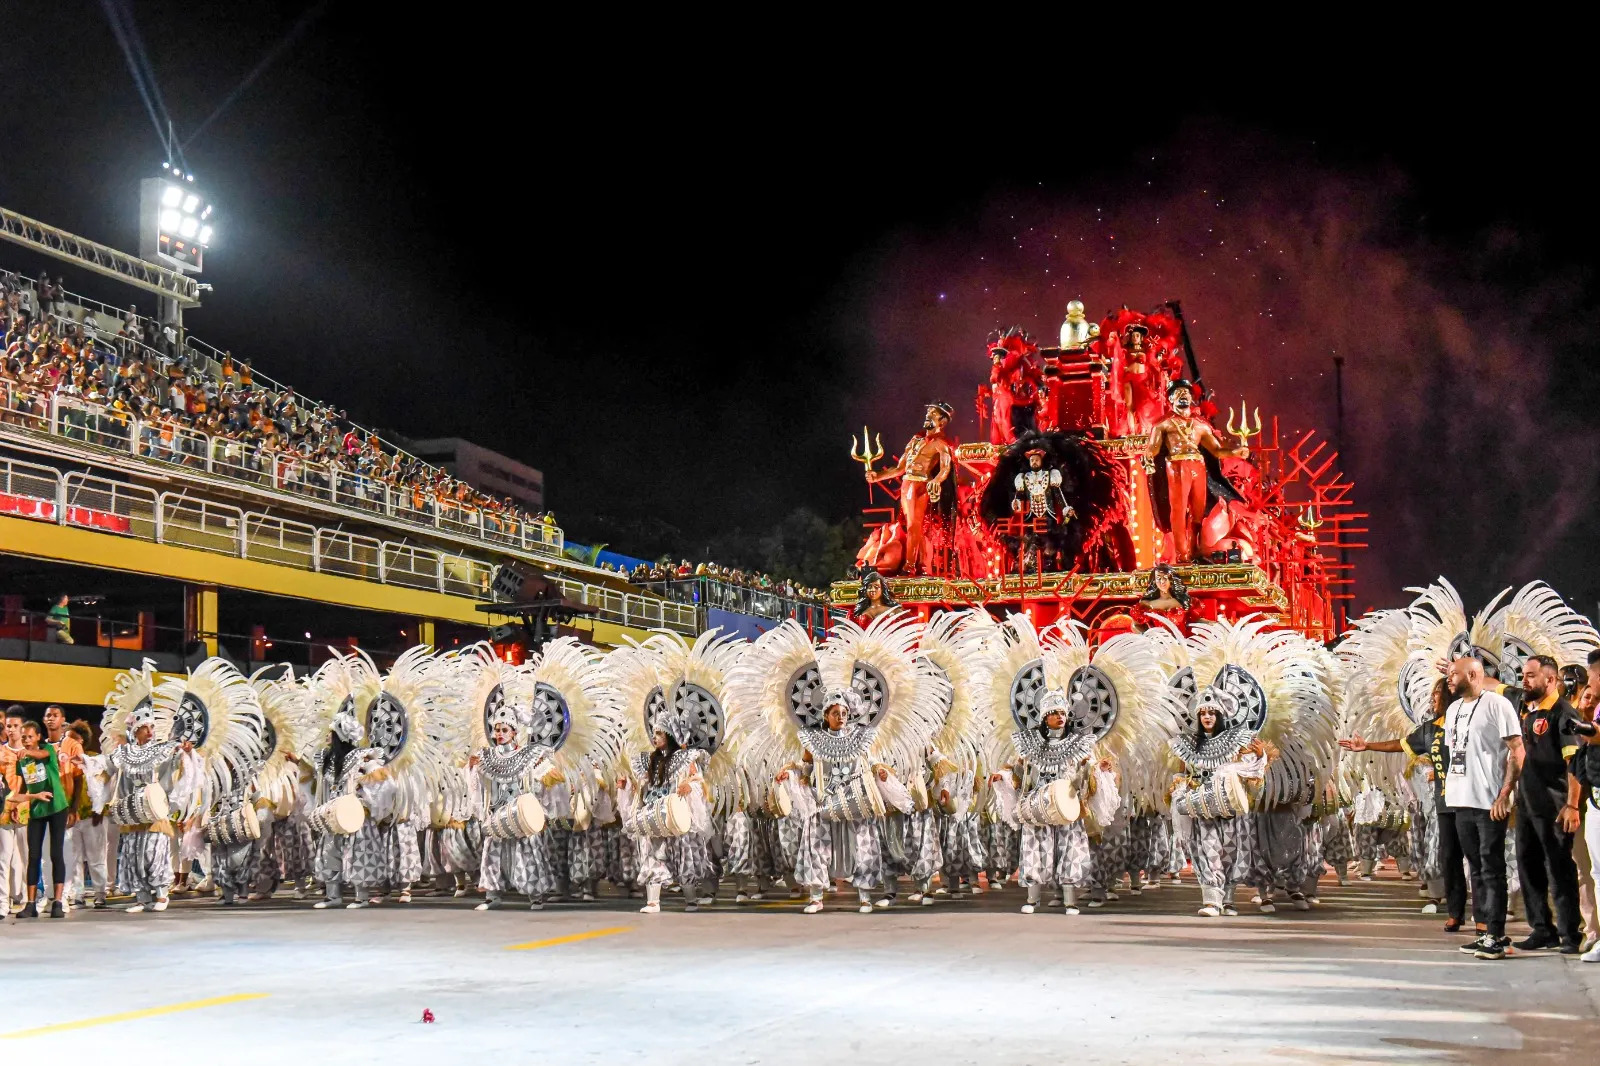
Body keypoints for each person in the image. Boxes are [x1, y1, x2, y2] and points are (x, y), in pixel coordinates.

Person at [1342, 677, 1470, 931]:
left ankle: (1486, 915)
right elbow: (1402, 744)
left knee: (1476, 857)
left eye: (1438, 693)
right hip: (1444, 804)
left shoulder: (1470, 722)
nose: (1433, 698)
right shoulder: (1430, 729)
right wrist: (1367, 745)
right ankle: (1453, 910)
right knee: (1445, 855)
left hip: (1472, 802)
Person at [1442, 656, 1524, 960]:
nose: (1449, 679)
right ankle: (1487, 932)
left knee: (1492, 868)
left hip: (1489, 802)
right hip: (1461, 800)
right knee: (1475, 868)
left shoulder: (1497, 704)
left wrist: (1505, 794)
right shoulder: (1453, 709)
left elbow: (1517, 750)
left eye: (1454, 674)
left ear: (1474, 674)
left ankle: (1497, 936)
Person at [1505, 654, 1586, 953]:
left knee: (1559, 870)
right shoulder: (1528, 712)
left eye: (1530, 675)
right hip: (1528, 805)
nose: (1524, 681)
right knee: (1528, 867)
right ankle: (1542, 929)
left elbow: (1573, 763)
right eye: (1523, 675)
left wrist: (1572, 804)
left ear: (1550, 679)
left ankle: (1570, 934)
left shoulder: (1563, 713)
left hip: (1554, 806)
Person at [16, 719, 69, 918]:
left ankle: (58, 902)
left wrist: (27, 751)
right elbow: (22, 789)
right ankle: (30, 905)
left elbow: (42, 755)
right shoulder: (22, 760)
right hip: (37, 809)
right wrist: (19, 802)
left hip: (56, 807)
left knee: (56, 854)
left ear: (38, 737)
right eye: (23, 737)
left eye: (30, 737)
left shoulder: (48, 750)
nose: (26, 740)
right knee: (33, 856)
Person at [0, 708, 28, 915]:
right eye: (8, 726)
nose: (11, 729)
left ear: (23, 728)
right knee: (4, 859)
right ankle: (3, 903)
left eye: (15, 726)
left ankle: (26, 900)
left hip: (26, 811)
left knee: (26, 859)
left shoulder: (30, 753)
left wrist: (21, 804)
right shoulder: (1, 753)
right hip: (3, 812)